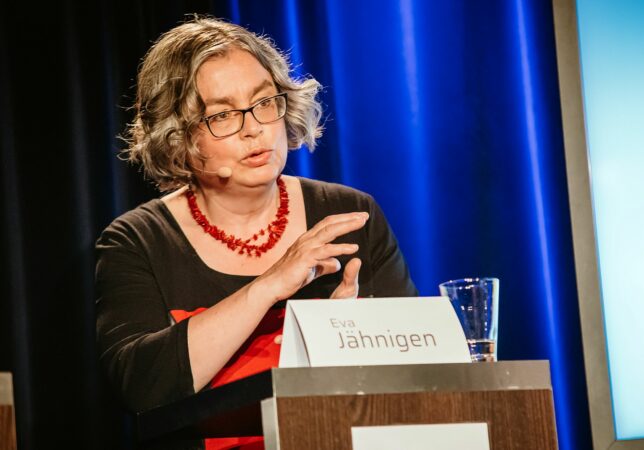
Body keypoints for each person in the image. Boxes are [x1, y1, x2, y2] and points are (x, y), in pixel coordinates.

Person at [95, 16, 418, 450]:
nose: (254, 127)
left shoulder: (350, 214)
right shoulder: (136, 241)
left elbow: (415, 373)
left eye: (265, 102)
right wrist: (267, 286)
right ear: (177, 137)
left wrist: (346, 337)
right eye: (222, 114)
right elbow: (141, 387)